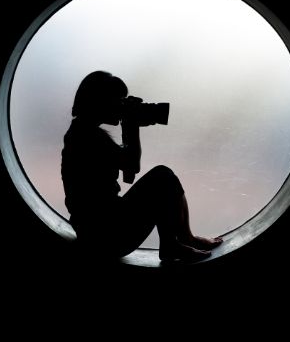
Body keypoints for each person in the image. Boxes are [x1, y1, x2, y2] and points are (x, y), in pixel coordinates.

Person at [61, 70, 222, 263]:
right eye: (118, 99)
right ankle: (173, 245)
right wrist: (132, 124)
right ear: (101, 101)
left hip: (96, 233)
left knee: (165, 178)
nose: (121, 105)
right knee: (163, 176)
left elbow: (128, 174)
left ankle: (185, 239)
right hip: (106, 236)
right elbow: (132, 166)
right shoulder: (87, 137)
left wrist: (129, 125)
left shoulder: (81, 132)